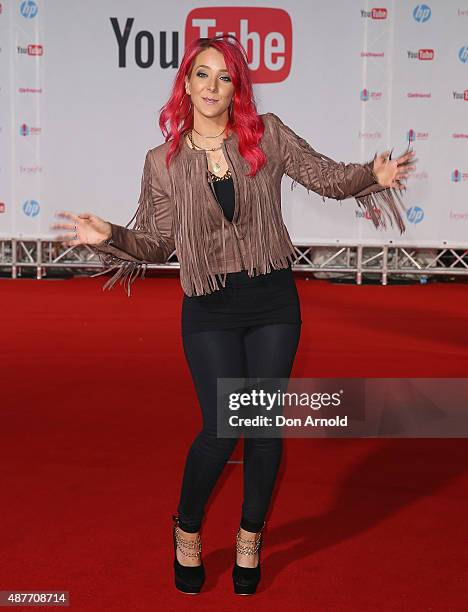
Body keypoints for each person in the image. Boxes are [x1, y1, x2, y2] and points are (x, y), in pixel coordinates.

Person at [51, 34, 416, 595]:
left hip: (273, 299)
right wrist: (109, 236)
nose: (212, 87)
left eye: (224, 77)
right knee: (223, 427)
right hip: (209, 305)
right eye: (202, 75)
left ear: (236, 87)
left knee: (264, 428)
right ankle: (188, 529)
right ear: (186, 84)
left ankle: (250, 535)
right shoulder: (163, 162)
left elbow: (326, 176)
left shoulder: (266, 135)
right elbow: (155, 244)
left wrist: (373, 173)